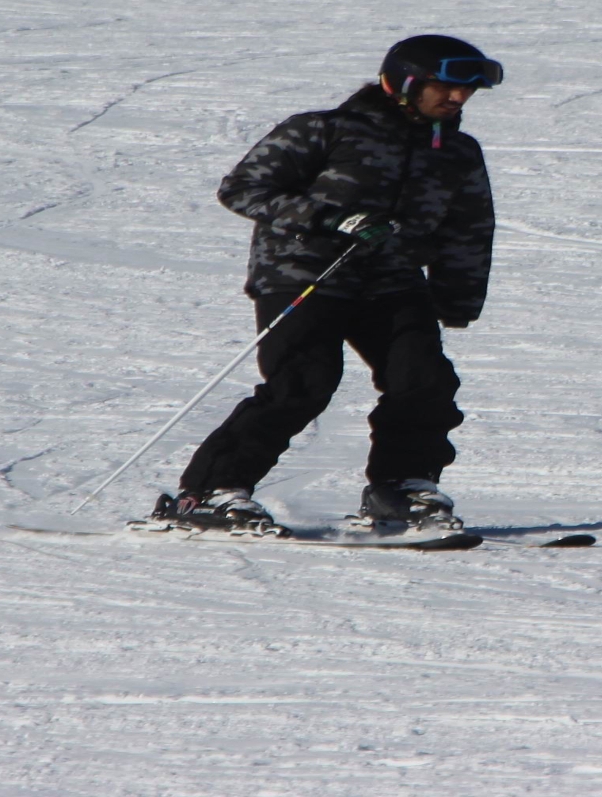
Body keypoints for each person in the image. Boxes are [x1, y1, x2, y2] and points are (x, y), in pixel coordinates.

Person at [150, 35, 502, 532]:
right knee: (302, 383)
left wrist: (457, 297)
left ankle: (400, 489)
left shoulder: (457, 152)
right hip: (305, 274)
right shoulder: (323, 130)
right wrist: (330, 218)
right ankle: (207, 493)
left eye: (467, 92)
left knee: (424, 381)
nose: (458, 100)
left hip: (392, 281)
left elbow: (469, 227)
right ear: (405, 82)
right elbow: (243, 188)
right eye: (445, 88)